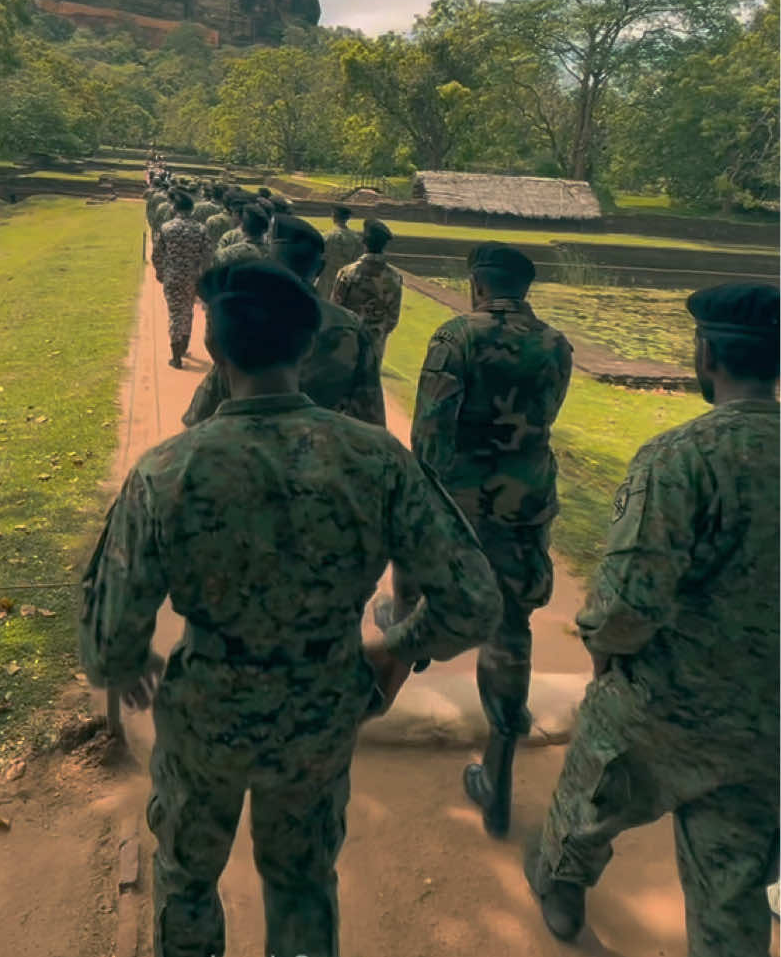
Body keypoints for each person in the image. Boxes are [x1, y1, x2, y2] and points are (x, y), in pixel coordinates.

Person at [79, 260, 503, 957]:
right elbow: (474, 600)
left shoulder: (166, 471)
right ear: (306, 349)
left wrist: (130, 661)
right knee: (303, 883)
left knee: (187, 880)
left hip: (206, 712)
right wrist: (397, 647)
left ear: (214, 347)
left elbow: (105, 639)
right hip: (322, 707)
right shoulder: (377, 461)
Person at [525, 282, 780, 952]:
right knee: (732, 888)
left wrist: (604, 653)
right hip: (768, 721)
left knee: (591, 793)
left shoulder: (680, 458)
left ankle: (561, 886)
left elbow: (628, 603)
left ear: (706, 354)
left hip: (667, 702)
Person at [380, 243, 573, 838]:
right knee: (509, 625)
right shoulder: (556, 344)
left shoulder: (455, 336)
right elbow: (546, 416)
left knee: (419, 567)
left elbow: (431, 430)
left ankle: (408, 641)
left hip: (460, 495)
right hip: (524, 499)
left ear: (477, 286)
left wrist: (420, 495)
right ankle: (500, 764)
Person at [183, 214, 386, 427]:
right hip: (324, 442)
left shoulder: (250, 318)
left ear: (269, 262)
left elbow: (201, 412)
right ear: (320, 268)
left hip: (246, 440)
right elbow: (370, 415)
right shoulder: (351, 328)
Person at [151, 189, 210, 369]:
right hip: (192, 278)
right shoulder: (201, 229)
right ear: (191, 209)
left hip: (172, 276)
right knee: (187, 311)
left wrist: (160, 272)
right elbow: (207, 256)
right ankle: (183, 347)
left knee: (175, 314)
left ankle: (176, 357)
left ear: (175, 208)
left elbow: (157, 254)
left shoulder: (166, 228)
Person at [330, 219, 403, 363]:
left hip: (346, 344)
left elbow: (335, 310)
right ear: (384, 245)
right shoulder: (394, 277)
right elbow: (393, 318)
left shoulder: (347, 273)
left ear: (364, 242)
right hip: (374, 346)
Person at [317, 205, 364, 300]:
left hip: (326, 280)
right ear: (348, 218)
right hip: (346, 281)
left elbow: (319, 259)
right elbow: (358, 262)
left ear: (333, 216)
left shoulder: (326, 236)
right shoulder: (356, 239)